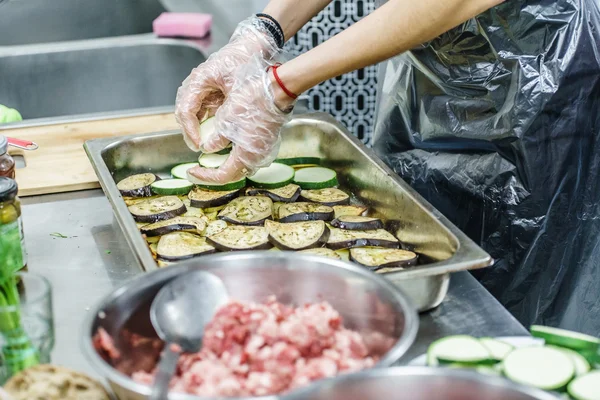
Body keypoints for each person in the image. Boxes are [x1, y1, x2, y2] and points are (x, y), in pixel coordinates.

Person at [175, 0, 600, 333]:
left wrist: (281, 84)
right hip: (429, 81)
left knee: (514, 306)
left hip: (536, 82)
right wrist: (264, 30)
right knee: (410, 262)